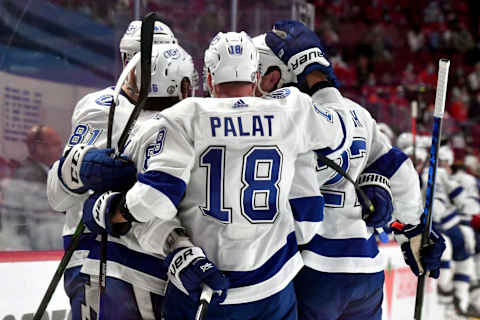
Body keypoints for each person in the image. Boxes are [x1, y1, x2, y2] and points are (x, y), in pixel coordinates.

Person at [83, 30, 353, 320]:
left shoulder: (186, 114)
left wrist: (113, 210)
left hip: (202, 283)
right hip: (273, 284)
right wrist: (313, 71)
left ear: (209, 79)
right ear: (255, 76)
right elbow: (341, 133)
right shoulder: (291, 110)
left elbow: (157, 196)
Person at [259, 20, 445, 320]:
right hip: (366, 271)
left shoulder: (294, 115)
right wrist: (412, 228)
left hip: (315, 266)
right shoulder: (360, 115)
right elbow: (399, 170)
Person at [47, 20, 195, 319]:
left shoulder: (185, 112)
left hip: (161, 262)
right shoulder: (101, 107)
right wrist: (82, 167)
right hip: (99, 258)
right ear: (129, 60)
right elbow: (57, 195)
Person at [1, 125, 63, 250]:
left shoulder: (47, 172)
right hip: (30, 247)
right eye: (56, 144)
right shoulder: (28, 174)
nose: (61, 149)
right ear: (39, 148)